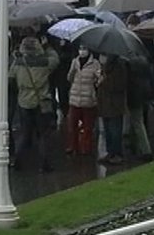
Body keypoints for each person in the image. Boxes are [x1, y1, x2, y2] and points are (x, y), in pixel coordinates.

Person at [9, 36, 58, 172]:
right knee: (43, 135)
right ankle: (44, 164)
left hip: (24, 101)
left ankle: (18, 161)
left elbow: (10, 77)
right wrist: (48, 46)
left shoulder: (19, 62)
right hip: (41, 101)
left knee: (25, 133)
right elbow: (55, 59)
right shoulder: (45, 62)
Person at [66, 45, 100, 156]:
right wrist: (72, 71)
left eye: (84, 48)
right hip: (75, 98)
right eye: (80, 48)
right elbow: (69, 78)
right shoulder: (75, 61)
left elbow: (98, 80)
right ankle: (73, 146)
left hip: (88, 99)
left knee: (87, 126)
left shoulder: (95, 64)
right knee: (72, 125)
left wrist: (98, 78)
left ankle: (86, 147)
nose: (82, 51)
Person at [96, 53, 127, 165]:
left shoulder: (119, 66)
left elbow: (119, 85)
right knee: (107, 130)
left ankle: (117, 153)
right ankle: (110, 152)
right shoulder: (104, 66)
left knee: (115, 130)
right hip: (105, 103)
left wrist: (103, 81)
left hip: (115, 104)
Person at [125, 55, 153, 162]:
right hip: (143, 94)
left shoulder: (129, 64)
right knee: (136, 120)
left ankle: (146, 150)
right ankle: (133, 144)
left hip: (133, 96)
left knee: (137, 122)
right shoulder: (144, 62)